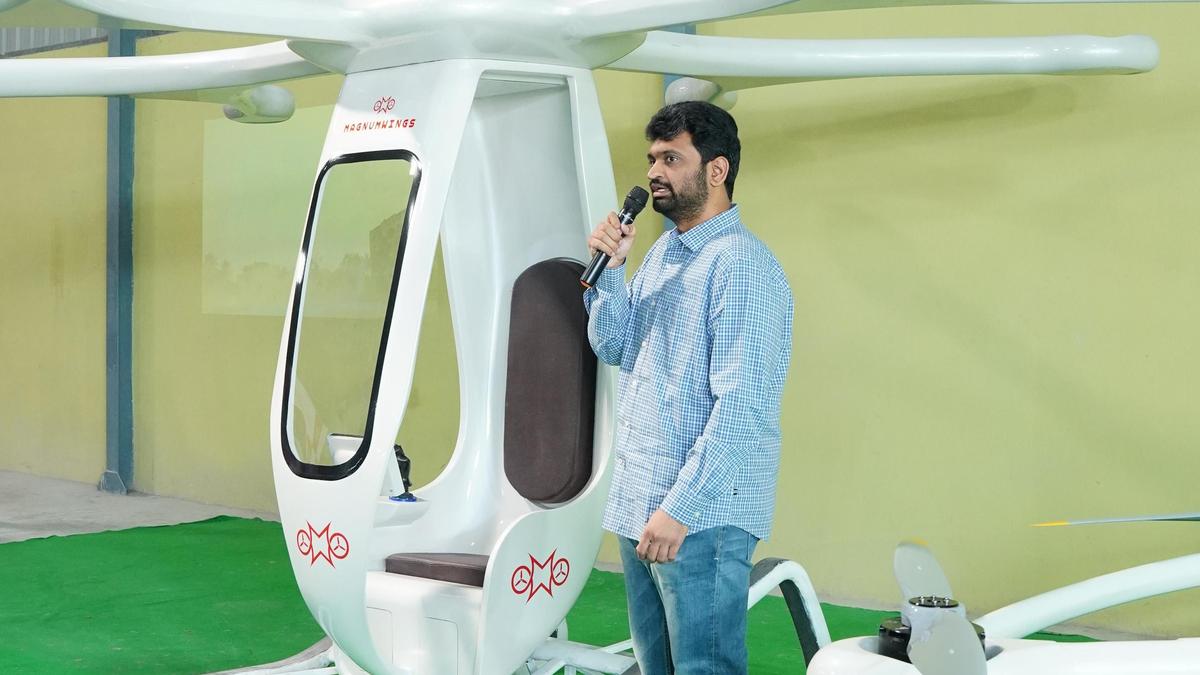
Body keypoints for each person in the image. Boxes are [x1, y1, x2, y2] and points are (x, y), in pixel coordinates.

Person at [583, 101, 794, 674]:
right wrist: (612, 272)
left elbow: (743, 408)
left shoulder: (741, 266)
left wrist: (680, 510)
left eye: (671, 159)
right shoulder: (662, 254)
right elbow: (616, 348)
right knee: (658, 666)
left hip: (699, 517)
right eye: (652, 158)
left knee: (704, 668)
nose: (654, 171)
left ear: (716, 170)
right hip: (643, 505)